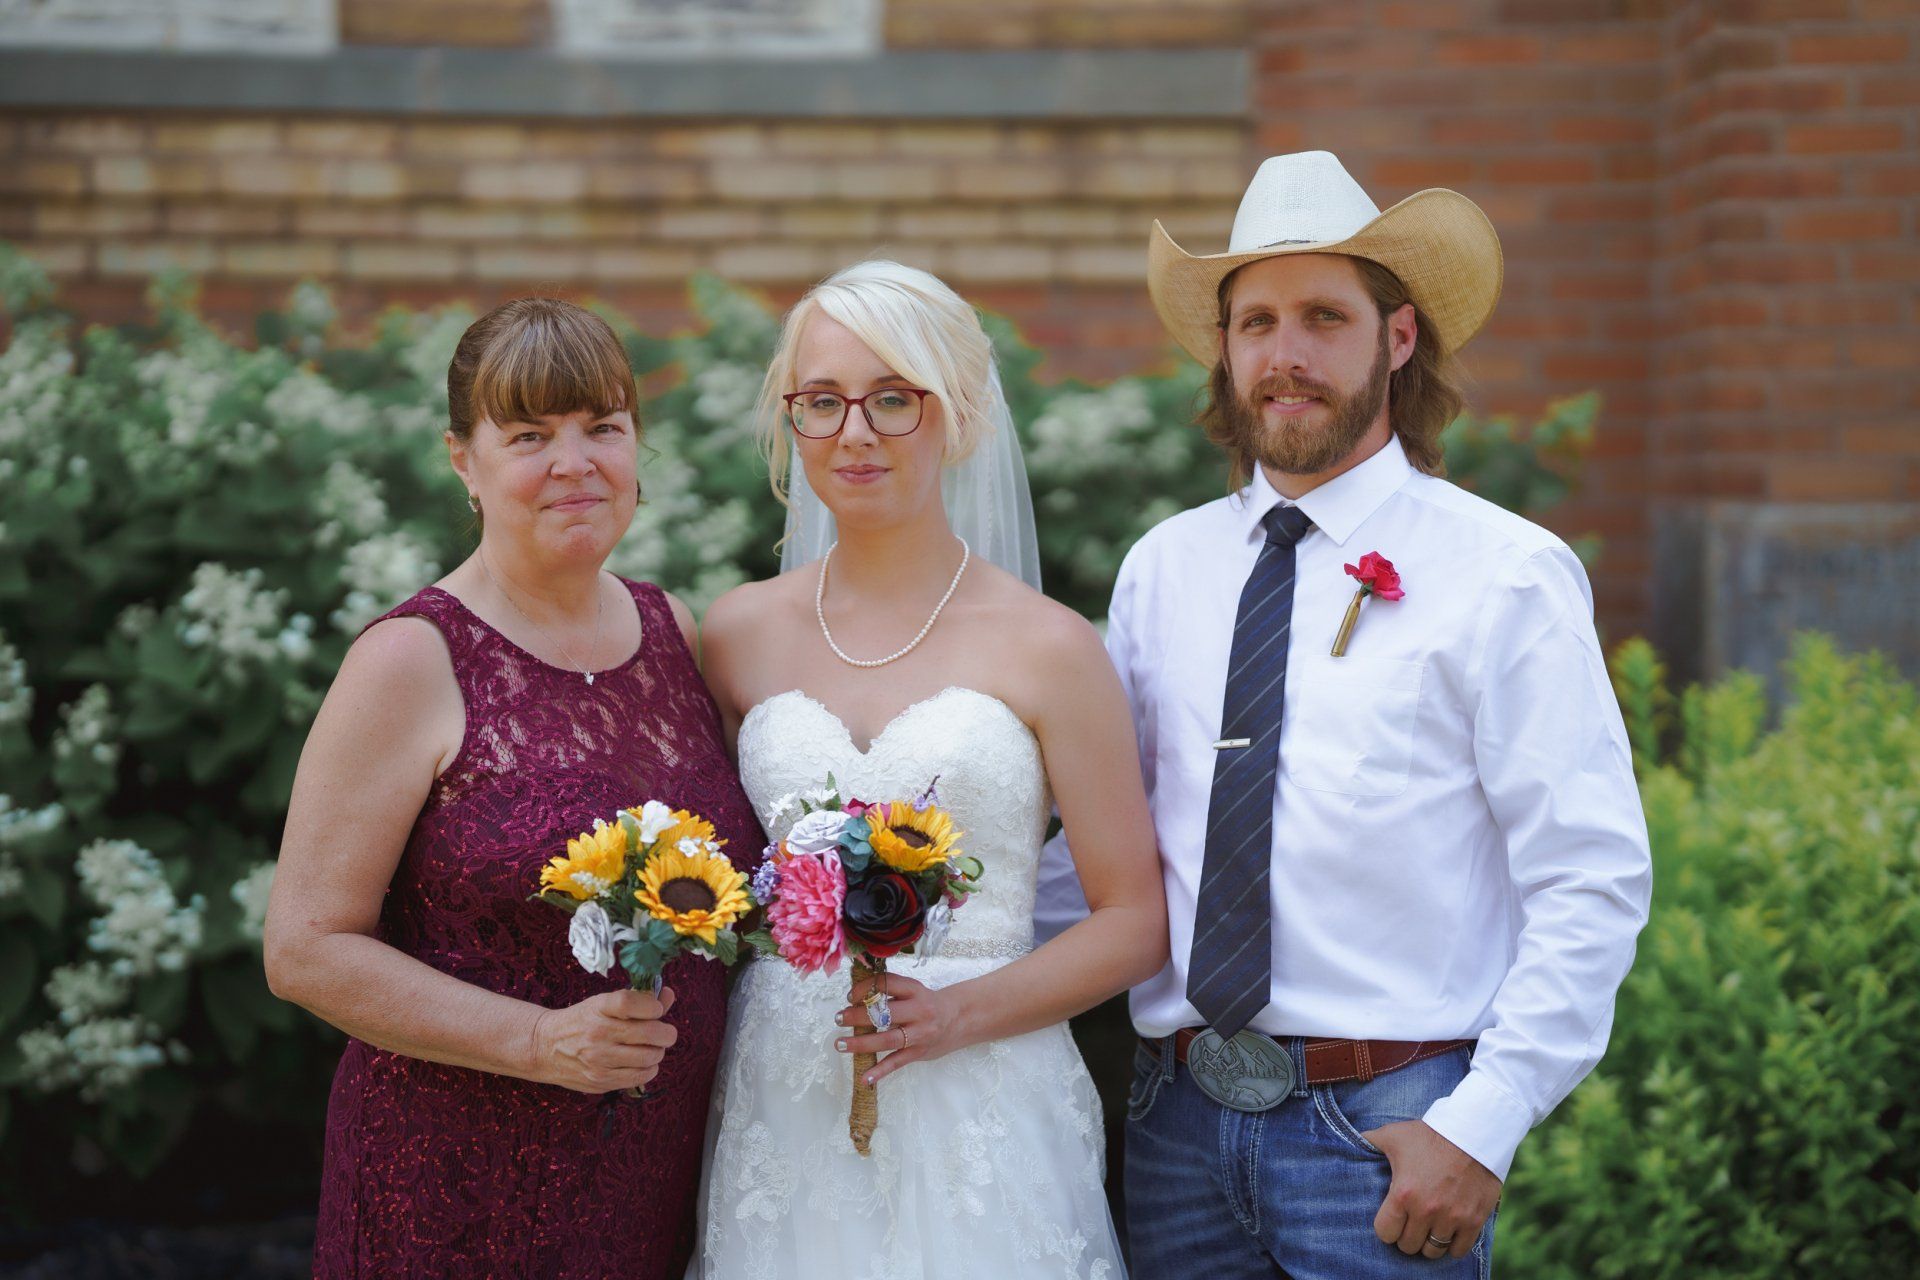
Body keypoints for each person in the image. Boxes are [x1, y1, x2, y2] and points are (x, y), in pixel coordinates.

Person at [1045, 150, 1654, 1277]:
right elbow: (1109, 846)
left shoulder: (1506, 573)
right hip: (1174, 1126)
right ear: (1224, 352)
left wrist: (1484, 1121)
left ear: (1400, 337)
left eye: (1325, 316)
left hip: (1387, 1131)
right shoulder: (1163, 568)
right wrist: (931, 961)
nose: (1286, 355)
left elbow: (1589, 875)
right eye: (1256, 321)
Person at [264, 298, 761, 1278]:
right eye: (530, 435)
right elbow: (305, 948)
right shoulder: (411, 659)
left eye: (602, 428)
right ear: (464, 461)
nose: (574, 463)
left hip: (644, 1187)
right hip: (450, 1187)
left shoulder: (678, 635)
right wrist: (539, 1040)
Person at [693, 259, 1167, 1278]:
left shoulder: (1049, 648)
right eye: (822, 401)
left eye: (894, 399)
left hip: (984, 1100)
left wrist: (956, 1013)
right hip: (784, 1097)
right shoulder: (733, 636)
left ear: (957, 418)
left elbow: (1134, 917)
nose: (855, 432)